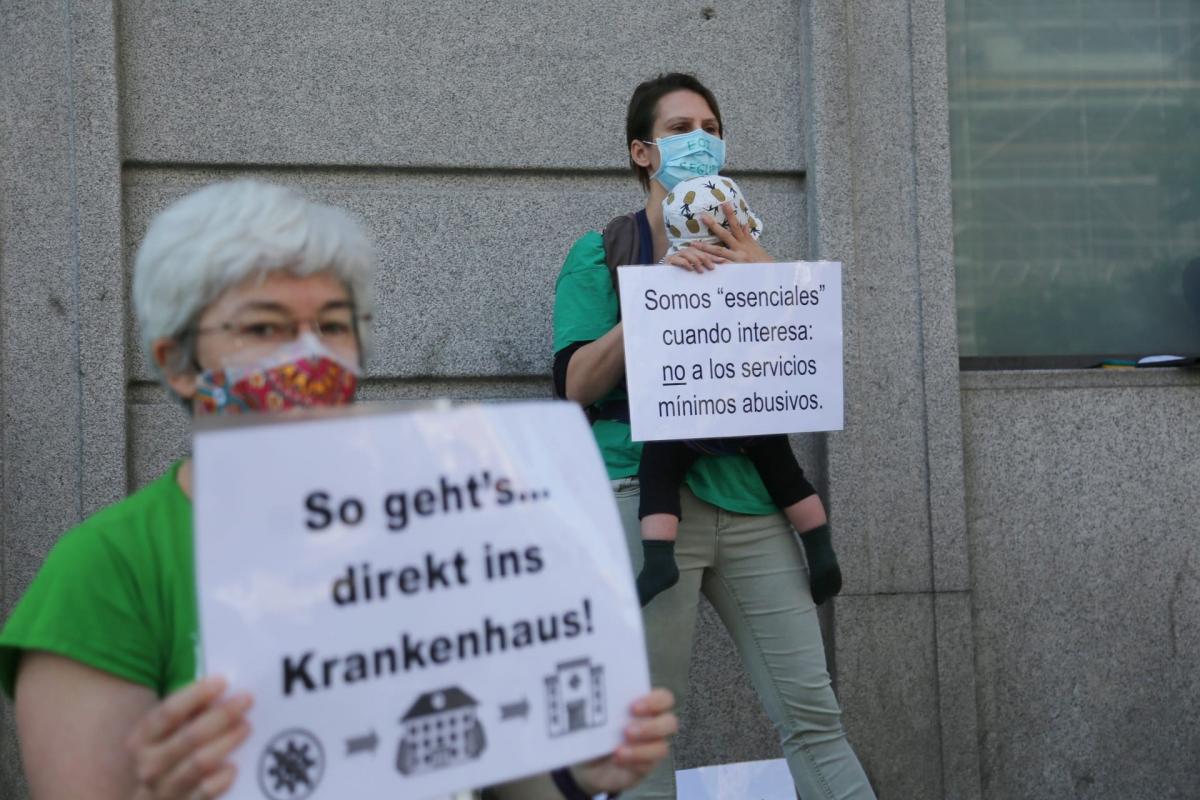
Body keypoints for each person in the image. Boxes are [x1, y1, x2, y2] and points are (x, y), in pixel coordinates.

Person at [0, 180, 677, 800]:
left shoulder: (434, 522)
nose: (309, 355)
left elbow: (489, 756)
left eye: (330, 325)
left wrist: (578, 771)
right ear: (178, 364)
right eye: (264, 327)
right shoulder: (107, 570)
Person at [552, 73, 877, 799]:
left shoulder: (754, 249)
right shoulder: (603, 250)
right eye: (677, 129)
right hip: (646, 504)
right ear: (642, 152)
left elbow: (803, 368)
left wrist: (770, 283)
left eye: (709, 124)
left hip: (753, 502)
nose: (698, 139)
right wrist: (656, 295)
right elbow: (577, 385)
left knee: (815, 717)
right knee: (646, 738)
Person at [632, 174, 843, 609]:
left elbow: (648, 324)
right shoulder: (757, 272)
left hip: (689, 410)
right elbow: (799, 320)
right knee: (785, 475)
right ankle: (819, 547)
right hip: (754, 404)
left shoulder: (669, 275)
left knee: (657, 472)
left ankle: (658, 558)